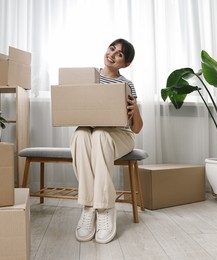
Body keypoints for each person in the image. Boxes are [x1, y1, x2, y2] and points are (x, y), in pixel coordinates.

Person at [70, 38, 143, 244]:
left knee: (100, 134)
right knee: (81, 134)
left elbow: (136, 128)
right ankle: (88, 205)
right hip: (90, 131)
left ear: (125, 63)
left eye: (119, 54)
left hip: (118, 135)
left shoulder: (126, 84)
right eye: (112, 48)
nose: (112, 54)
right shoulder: (89, 78)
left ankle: (104, 208)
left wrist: (135, 110)